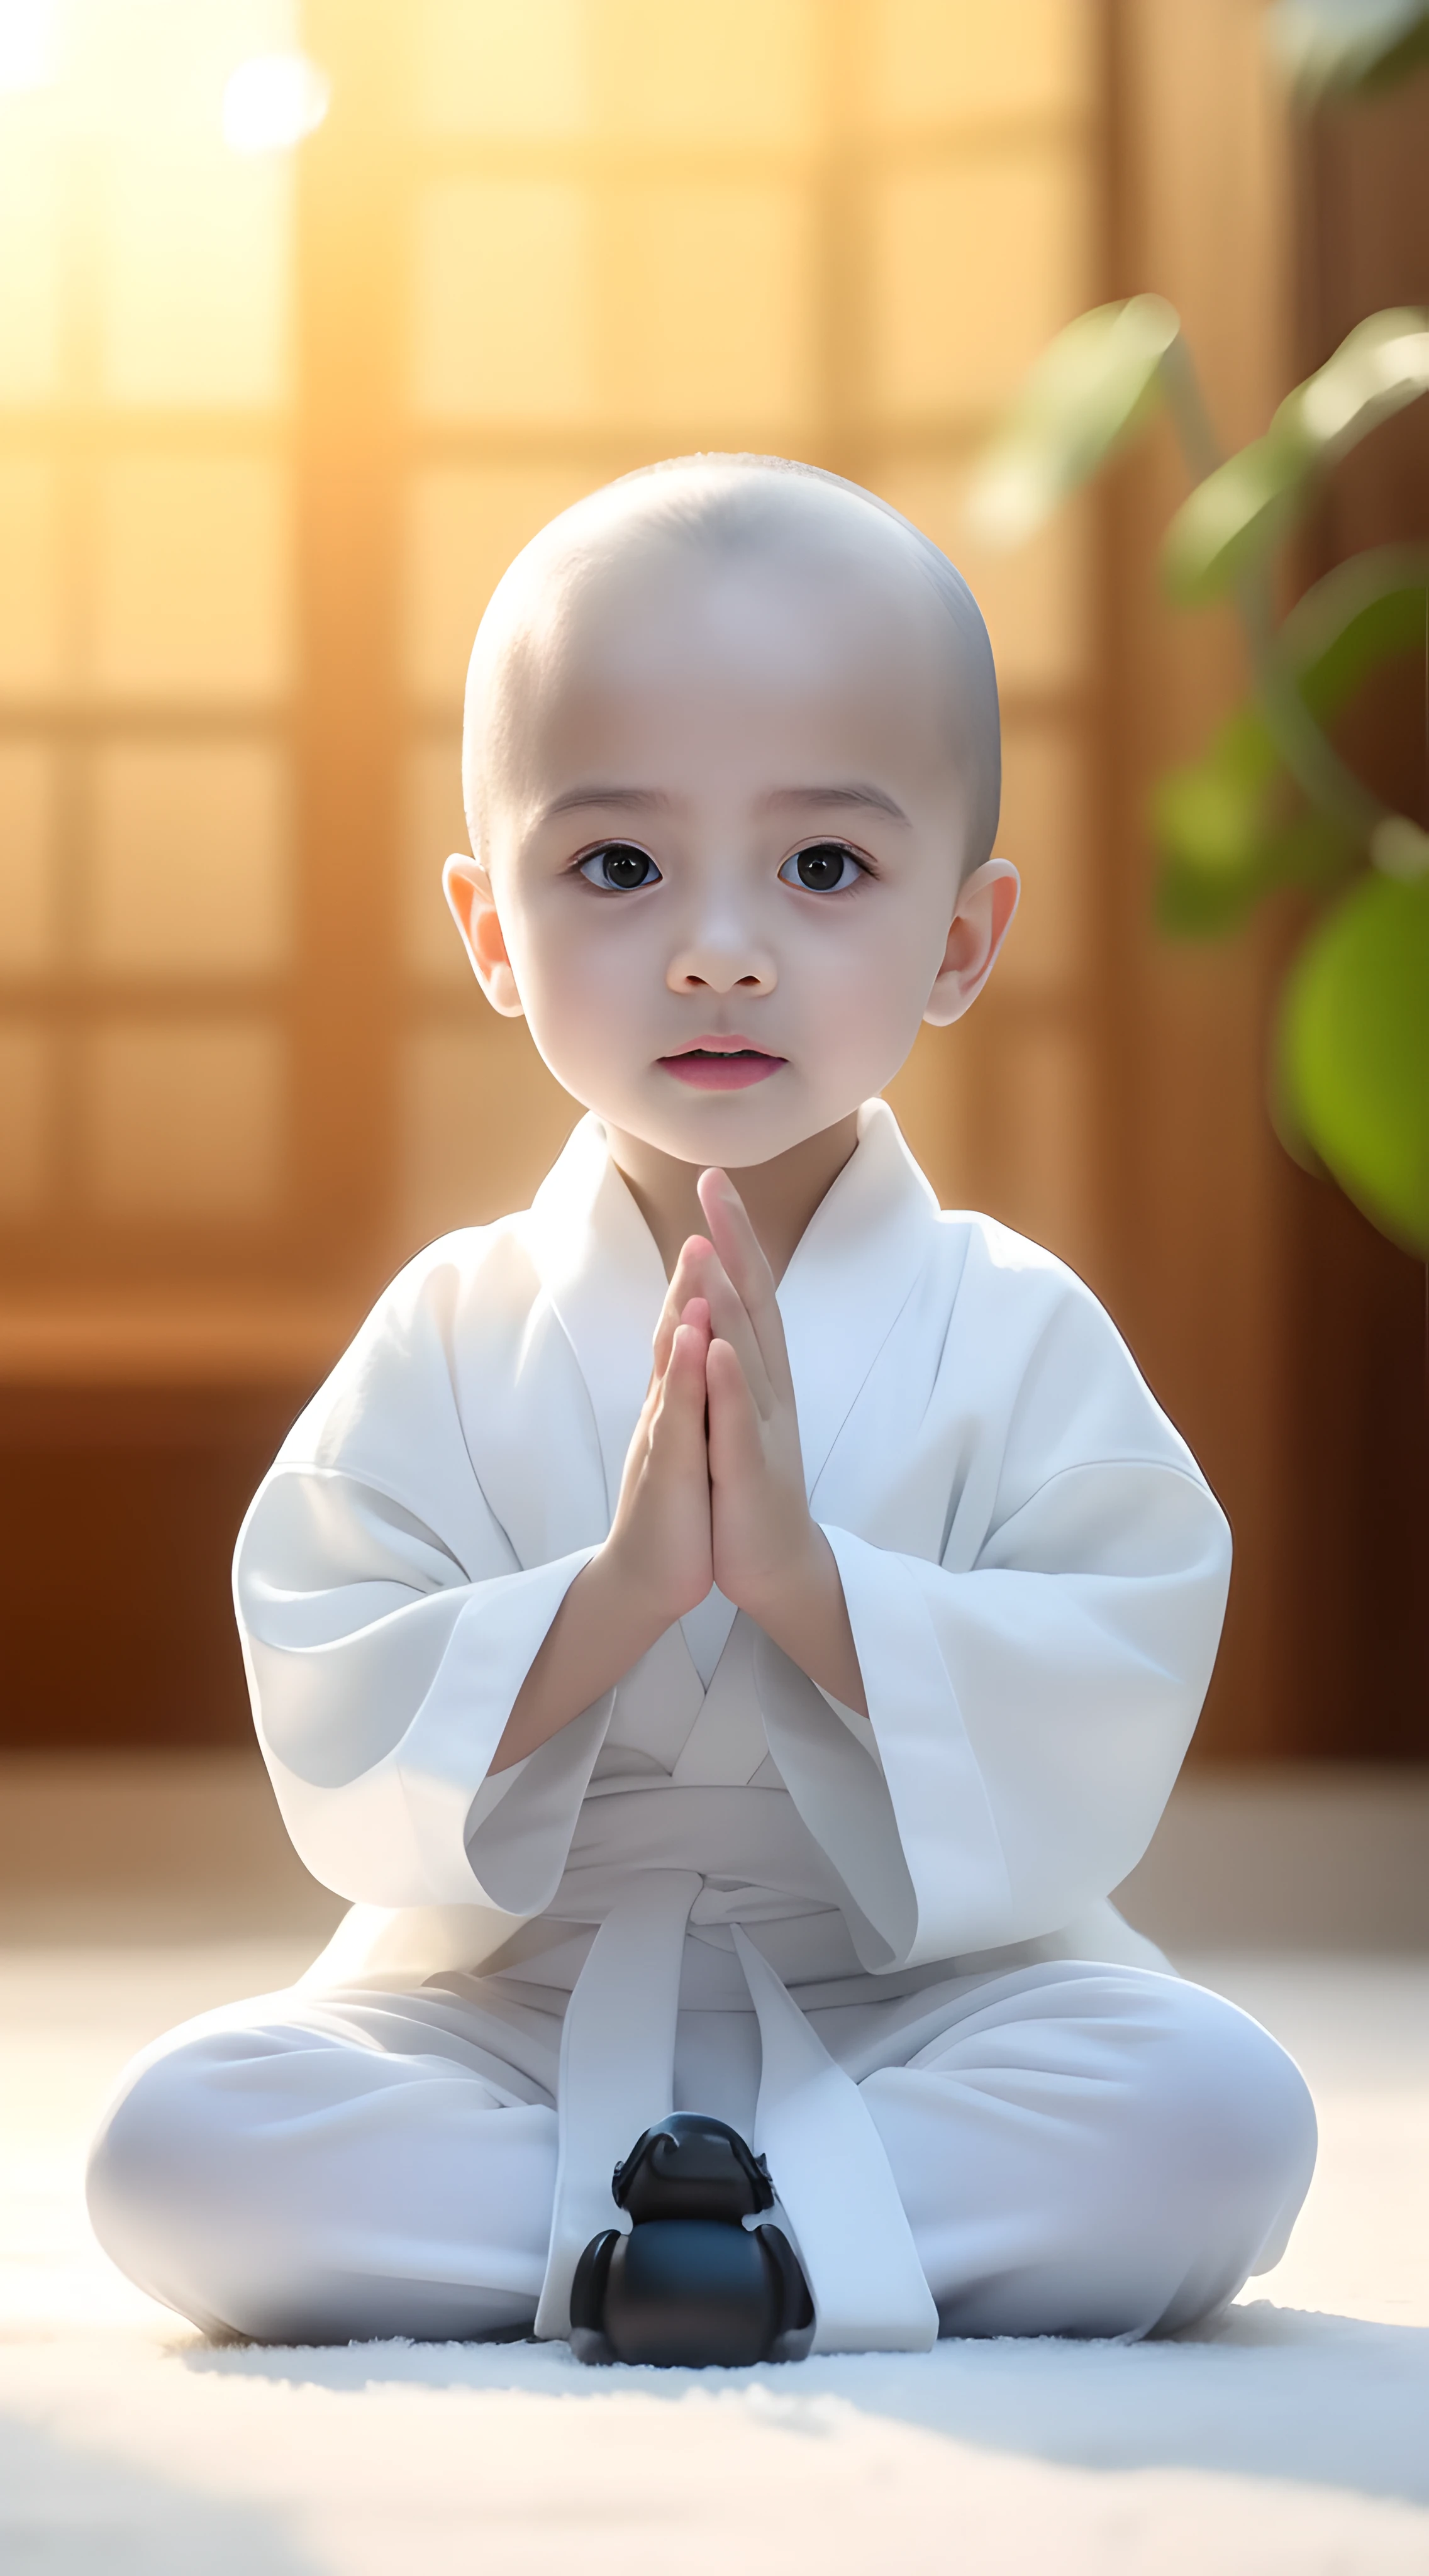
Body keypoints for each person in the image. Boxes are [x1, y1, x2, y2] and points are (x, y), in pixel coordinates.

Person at [87, 456, 1316, 2353]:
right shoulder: (449, 1326)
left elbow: (1107, 1687)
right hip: (512, 1991)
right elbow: (339, 1705)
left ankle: (636, 2249)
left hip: (935, 1989)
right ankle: (760, 2243)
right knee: (182, 2154)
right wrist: (616, 1602)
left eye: (824, 867)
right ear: (492, 930)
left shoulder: (1014, 1324)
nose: (718, 945)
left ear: (964, 937)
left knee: (1214, 2121)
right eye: (617, 866)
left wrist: (815, 1590)